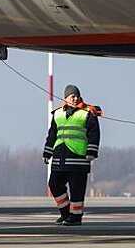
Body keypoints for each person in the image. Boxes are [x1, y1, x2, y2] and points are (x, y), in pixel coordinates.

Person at [43, 85, 101, 226]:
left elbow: (94, 134)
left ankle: (76, 217)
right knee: (54, 184)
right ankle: (65, 213)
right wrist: (47, 152)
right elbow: (52, 135)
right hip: (59, 158)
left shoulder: (88, 113)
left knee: (77, 191)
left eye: (77, 96)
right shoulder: (57, 114)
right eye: (72, 96)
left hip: (78, 159)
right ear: (66, 98)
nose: (75, 99)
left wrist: (91, 152)